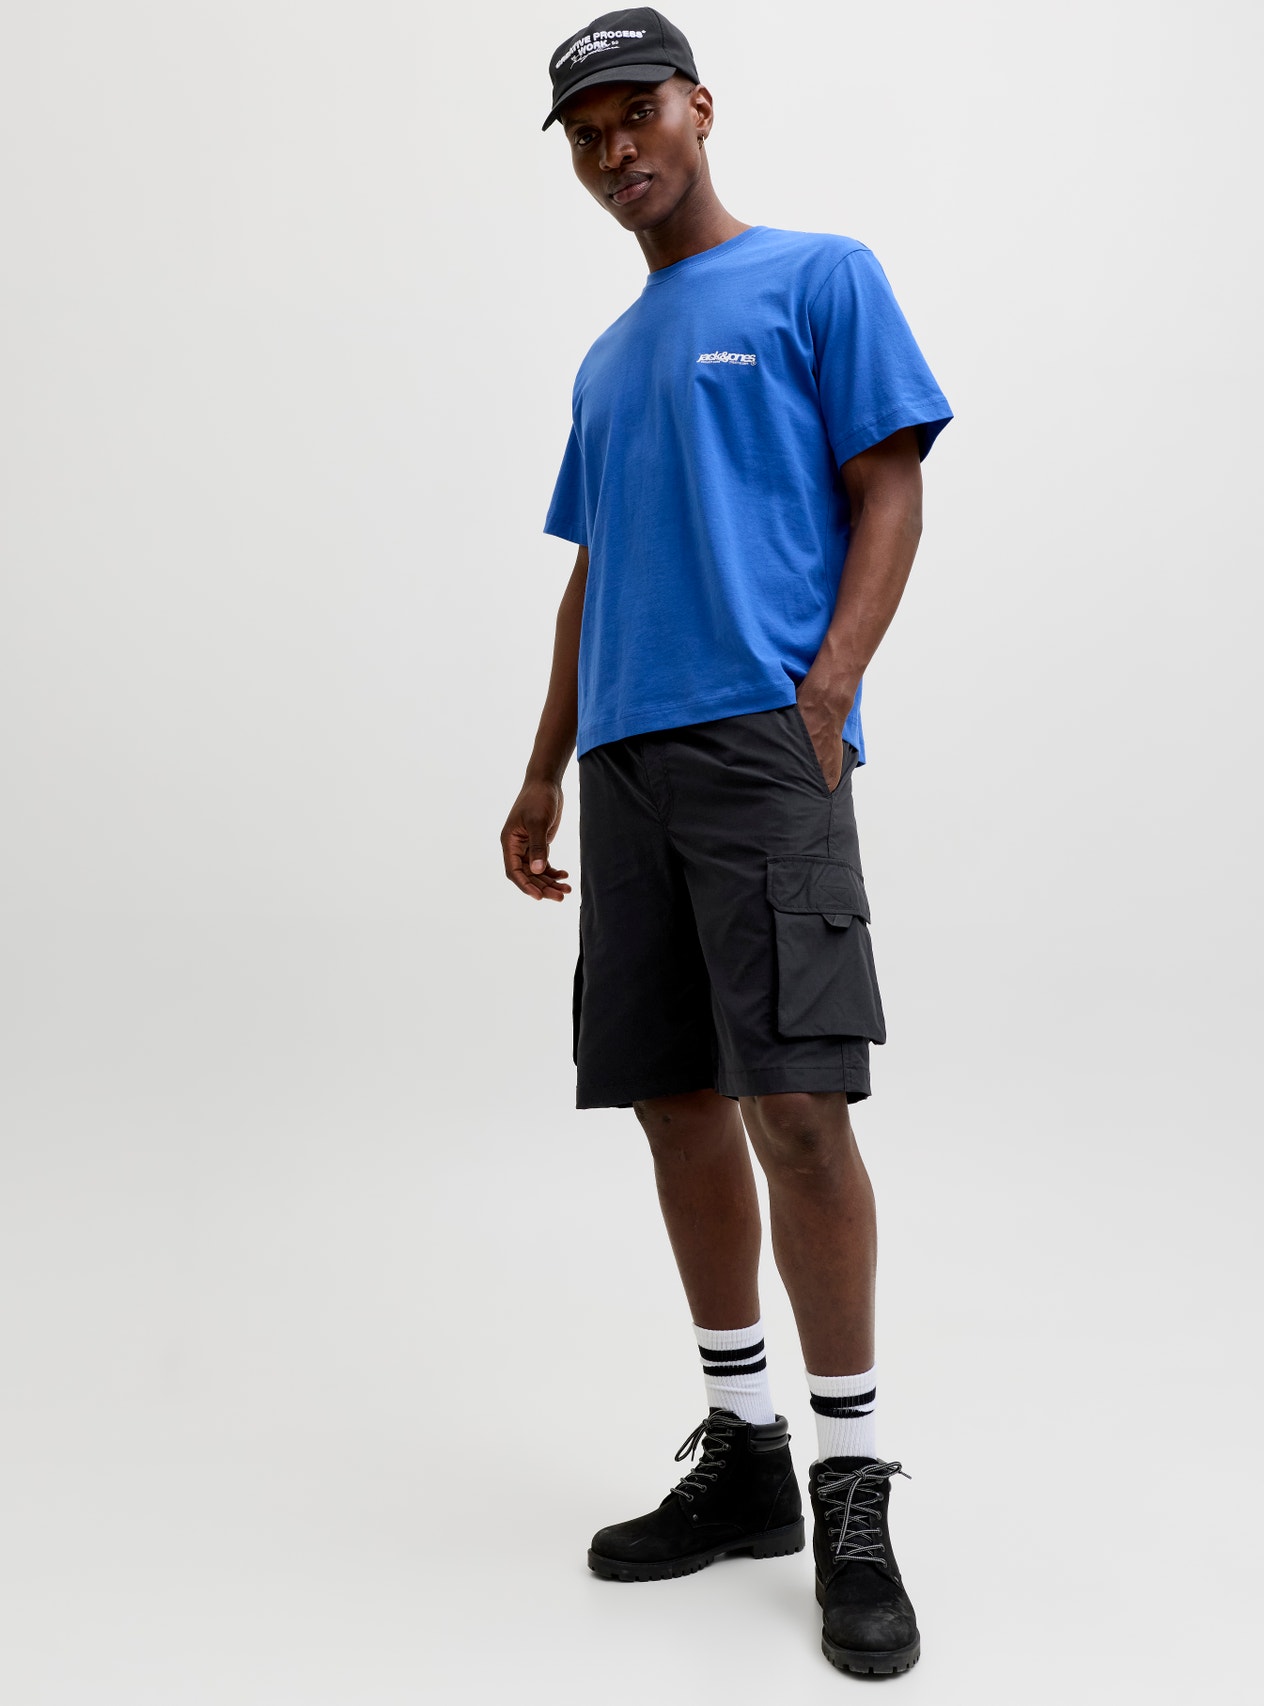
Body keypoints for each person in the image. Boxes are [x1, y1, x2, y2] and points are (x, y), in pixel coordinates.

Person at [500, 7, 952, 1679]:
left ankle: (851, 1480)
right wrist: (541, 770)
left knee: (800, 1108)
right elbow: (593, 569)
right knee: (676, 1100)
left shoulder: (821, 276)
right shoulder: (607, 360)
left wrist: (828, 690)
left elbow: (890, 483)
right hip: (624, 759)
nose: (616, 149)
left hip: (764, 742)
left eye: (638, 114)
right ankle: (746, 1447)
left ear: (700, 106)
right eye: (586, 134)